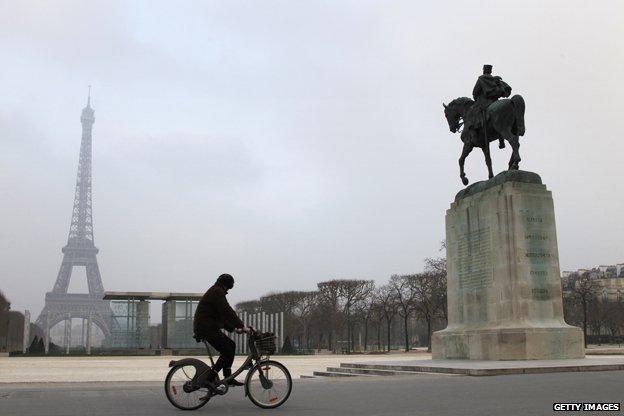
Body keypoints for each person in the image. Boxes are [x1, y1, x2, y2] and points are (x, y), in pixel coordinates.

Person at [193, 273, 250, 386]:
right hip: (206, 328)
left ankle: (228, 378)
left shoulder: (216, 290)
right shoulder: (217, 292)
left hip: (207, 327)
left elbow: (220, 316)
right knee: (227, 351)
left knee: (231, 346)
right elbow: (227, 312)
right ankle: (210, 378)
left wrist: (234, 329)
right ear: (228, 285)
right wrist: (242, 326)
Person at [467, 64, 511, 148]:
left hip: (484, 103)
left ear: (484, 70)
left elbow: (475, 92)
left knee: (473, 114)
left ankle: (475, 135)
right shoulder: (495, 80)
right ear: (490, 71)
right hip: (494, 102)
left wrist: (476, 97)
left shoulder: (481, 79)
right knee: (500, 119)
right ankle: (501, 140)